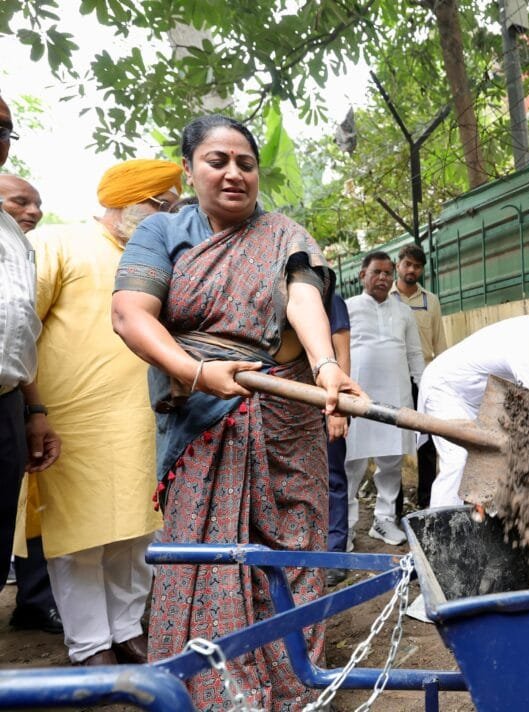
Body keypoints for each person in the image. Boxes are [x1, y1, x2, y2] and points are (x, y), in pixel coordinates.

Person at [112, 114, 360, 709]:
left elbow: (303, 296)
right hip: (202, 417)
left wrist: (326, 366)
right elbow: (131, 315)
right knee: (212, 554)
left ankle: (294, 682)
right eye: (217, 161)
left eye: (245, 163)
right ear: (190, 168)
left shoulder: (283, 234)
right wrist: (196, 373)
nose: (233, 173)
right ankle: (219, 689)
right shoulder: (163, 233)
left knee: (294, 545)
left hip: (286, 417)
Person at [31, 159, 180, 666]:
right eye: (163, 204)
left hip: (143, 417)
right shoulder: (58, 244)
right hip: (70, 421)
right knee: (79, 538)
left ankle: (126, 630)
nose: (170, 212)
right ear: (128, 201)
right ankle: (90, 645)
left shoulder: (157, 256)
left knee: (137, 531)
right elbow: (19, 326)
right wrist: (34, 408)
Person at [419, 291, 529, 507]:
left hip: (468, 398)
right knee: (459, 460)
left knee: (485, 459)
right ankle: (440, 532)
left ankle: (470, 522)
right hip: (444, 389)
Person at [0, 92, 60, 607]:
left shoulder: (15, 241)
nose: (34, 212)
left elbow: (22, 332)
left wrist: (34, 408)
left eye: (5, 130)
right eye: (22, 201)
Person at [345, 251, 425, 546]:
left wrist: (424, 389)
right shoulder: (347, 307)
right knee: (351, 463)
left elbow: (414, 354)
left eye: (388, 273)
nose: (383, 278)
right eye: (376, 272)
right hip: (356, 396)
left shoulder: (403, 311)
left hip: (396, 394)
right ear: (362, 275)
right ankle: (347, 527)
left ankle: (384, 520)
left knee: (391, 461)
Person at [389, 243, 447, 509]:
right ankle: (394, 508)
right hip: (393, 378)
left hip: (424, 379)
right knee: (393, 445)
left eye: (417, 266)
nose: (411, 270)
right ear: (398, 264)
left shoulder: (430, 301)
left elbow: (440, 343)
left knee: (427, 445)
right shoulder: (386, 299)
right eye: (407, 264)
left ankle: (427, 504)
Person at [325, 291, 352, 582]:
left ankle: (335, 556)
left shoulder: (329, 297)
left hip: (326, 403)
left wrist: (338, 409)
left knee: (332, 480)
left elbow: (342, 353)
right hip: (288, 408)